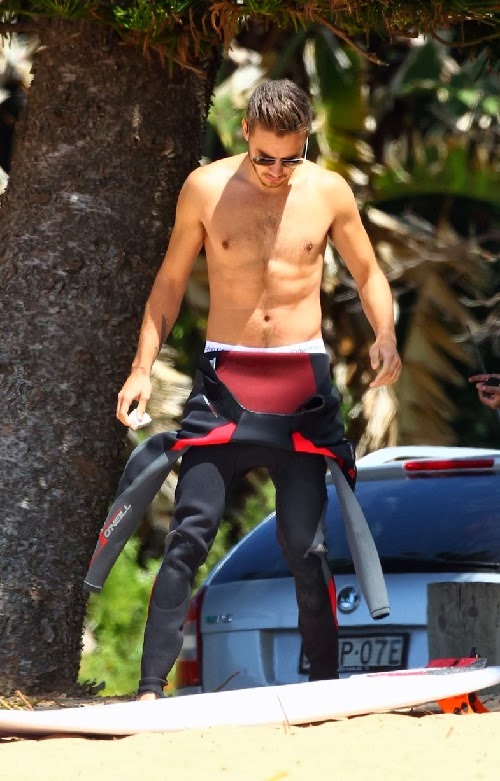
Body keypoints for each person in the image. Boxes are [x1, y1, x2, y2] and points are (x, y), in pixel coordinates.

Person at [114, 79, 401, 700]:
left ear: (306, 142)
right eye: (264, 157)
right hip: (226, 379)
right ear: (245, 131)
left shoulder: (327, 191)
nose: (275, 171)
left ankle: (323, 685)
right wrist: (141, 368)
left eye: (290, 159)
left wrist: (385, 335)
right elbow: (169, 283)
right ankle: (149, 688)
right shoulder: (206, 188)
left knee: (305, 545)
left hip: (301, 382)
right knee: (190, 532)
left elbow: (369, 273)